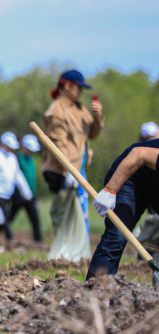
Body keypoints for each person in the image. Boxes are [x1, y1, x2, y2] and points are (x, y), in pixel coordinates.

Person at [39, 69, 103, 244]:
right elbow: (58, 145)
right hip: (64, 171)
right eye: (78, 88)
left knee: (81, 212)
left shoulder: (79, 108)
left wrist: (97, 117)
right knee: (66, 212)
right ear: (67, 86)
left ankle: (81, 249)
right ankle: (68, 252)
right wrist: (68, 172)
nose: (80, 92)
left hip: (78, 169)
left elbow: (93, 134)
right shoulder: (56, 111)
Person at [87, 138, 159, 278]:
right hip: (131, 178)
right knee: (117, 236)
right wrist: (110, 190)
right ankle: (96, 290)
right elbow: (139, 154)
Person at [0, 132, 33, 247]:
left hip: (8, 193)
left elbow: (18, 175)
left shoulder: (12, 158)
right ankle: (11, 239)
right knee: (4, 217)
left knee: (4, 218)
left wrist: (26, 191)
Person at [7, 133, 43, 243]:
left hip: (31, 196)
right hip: (19, 195)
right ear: (25, 147)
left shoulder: (31, 159)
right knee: (10, 217)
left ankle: (38, 241)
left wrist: (35, 194)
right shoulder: (17, 158)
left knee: (35, 219)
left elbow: (32, 178)